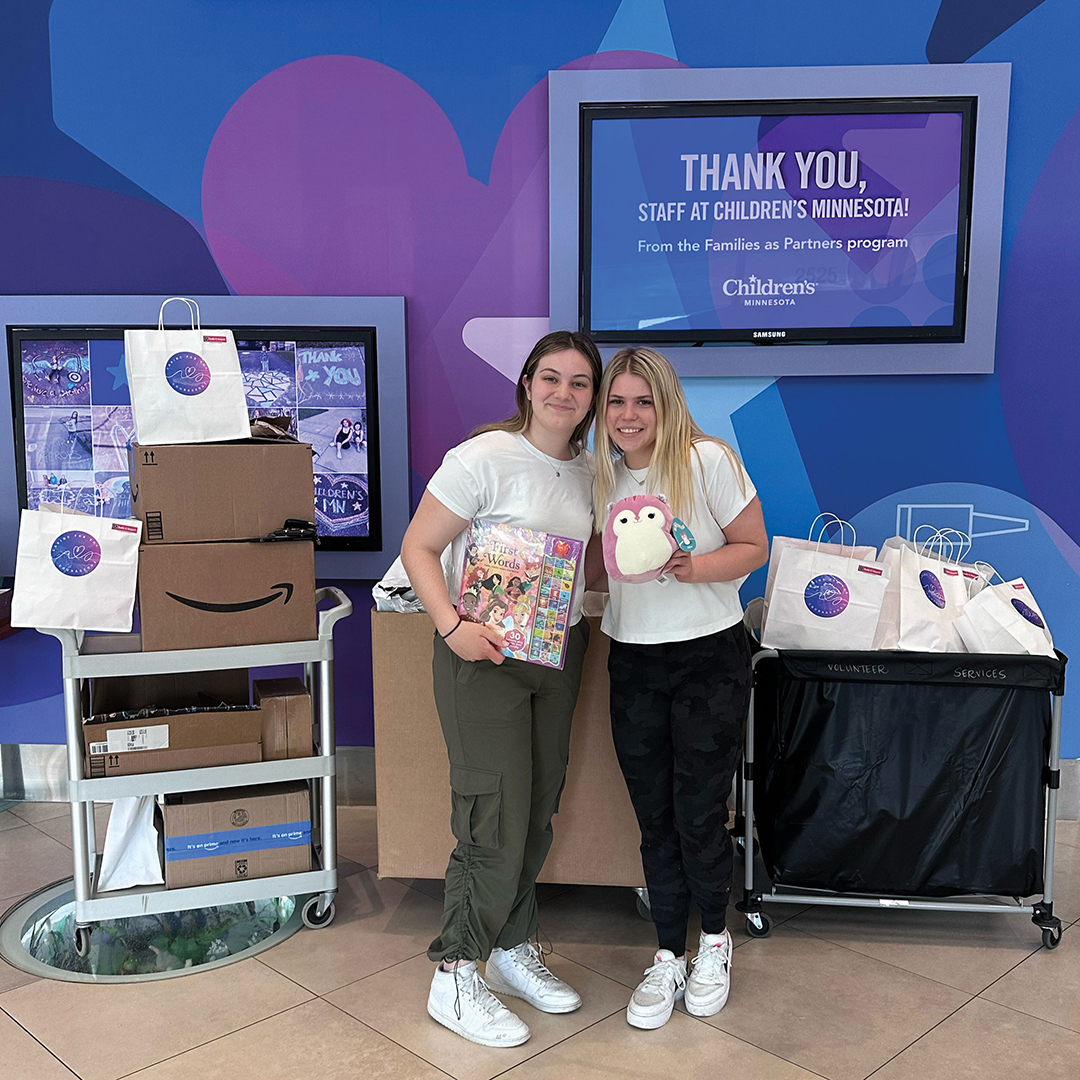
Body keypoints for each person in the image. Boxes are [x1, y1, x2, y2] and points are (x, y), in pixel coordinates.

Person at [400, 330, 603, 1048]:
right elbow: (418, 547)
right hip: (479, 656)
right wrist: (451, 624)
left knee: (538, 804)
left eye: (579, 383)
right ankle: (455, 975)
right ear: (525, 383)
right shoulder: (482, 457)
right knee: (493, 814)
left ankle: (513, 948)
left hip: (556, 654)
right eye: (550, 378)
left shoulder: (590, 471)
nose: (562, 393)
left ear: (592, 398)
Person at [593, 347, 768, 1030]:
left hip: (708, 658)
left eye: (644, 401)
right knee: (654, 817)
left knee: (699, 813)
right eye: (616, 402)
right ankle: (668, 951)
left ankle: (715, 944)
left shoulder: (707, 462)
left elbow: (752, 546)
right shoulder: (599, 475)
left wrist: (694, 568)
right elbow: (595, 562)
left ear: (667, 404)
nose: (629, 416)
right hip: (633, 661)